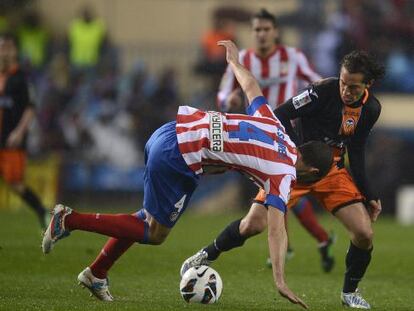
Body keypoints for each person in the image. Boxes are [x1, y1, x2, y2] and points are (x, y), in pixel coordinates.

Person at [42, 40, 334, 308]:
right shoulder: (284, 175)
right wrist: (280, 280)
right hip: (179, 156)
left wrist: (233, 60)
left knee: (146, 217)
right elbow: (276, 228)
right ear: (311, 170)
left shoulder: (277, 127)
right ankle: (69, 219)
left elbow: (251, 87)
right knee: (153, 233)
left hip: (170, 131)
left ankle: (97, 272)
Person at [181, 49, 385, 309]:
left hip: (332, 171)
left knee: (364, 233)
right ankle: (204, 256)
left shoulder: (371, 109)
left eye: (353, 87)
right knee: (251, 225)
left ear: (369, 85)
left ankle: (349, 293)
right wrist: (289, 153)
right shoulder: (321, 91)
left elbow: (356, 150)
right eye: (343, 82)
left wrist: (369, 194)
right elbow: (280, 113)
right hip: (295, 166)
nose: (346, 90)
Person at [217, 8, 334, 271]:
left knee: (282, 187)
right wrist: (230, 100)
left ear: (275, 32)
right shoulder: (244, 57)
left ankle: (292, 243)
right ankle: (317, 239)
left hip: (286, 133)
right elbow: (224, 92)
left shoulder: (292, 57)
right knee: (281, 189)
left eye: (265, 29)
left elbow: (315, 82)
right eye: (256, 29)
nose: (260, 34)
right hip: (255, 133)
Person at [0, 34, 49, 228]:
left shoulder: (21, 78)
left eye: (6, 47)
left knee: (16, 184)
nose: (3, 50)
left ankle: (43, 212)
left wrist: (19, 132)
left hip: (11, 140)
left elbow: (30, 107)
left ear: (14, 51)